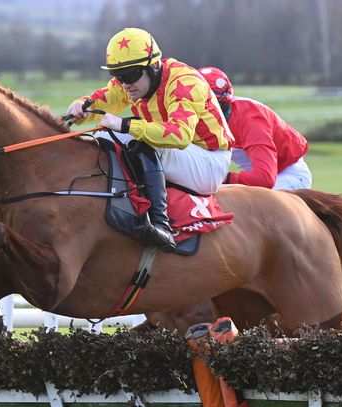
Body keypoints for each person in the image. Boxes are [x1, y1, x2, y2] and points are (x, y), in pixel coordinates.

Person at [66, 28, 233, 252]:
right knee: (103, 136)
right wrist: (81, 108)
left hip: (209, 163)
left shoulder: (184, 83)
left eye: (131, 75)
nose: (125, 84)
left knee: (137, 137)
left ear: (154, 66)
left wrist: (125, 125)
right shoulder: (133, 82)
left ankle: (160, 224)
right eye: (118, 76)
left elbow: (179, 135)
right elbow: (104, 100)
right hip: (183, 155)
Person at [198, 67, 312, 190]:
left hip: (288, 177)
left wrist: (224, 179)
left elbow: (265, 178)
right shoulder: (197, 118)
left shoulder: (251, 119)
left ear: (220, 102)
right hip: (261, 178)